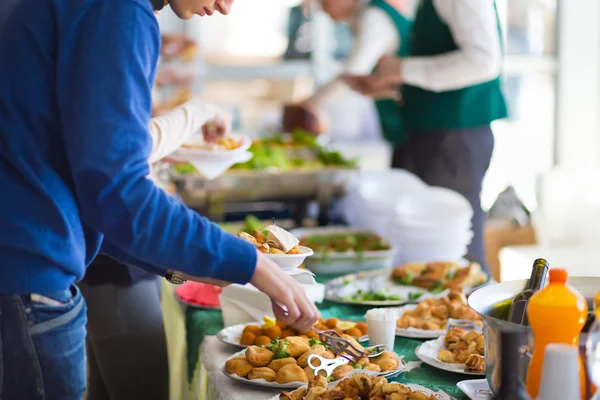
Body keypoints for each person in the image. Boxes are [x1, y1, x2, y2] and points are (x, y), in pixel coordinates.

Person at [0, 0, 320, 399]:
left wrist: (202, 265)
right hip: (25, 280)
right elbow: (117, 192)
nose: (225, 7)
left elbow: (85, 189)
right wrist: (253, 265)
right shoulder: (117, 10)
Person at [80, 98, 231, 400]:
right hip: (114, 272)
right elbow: (120, 152)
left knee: (105, 388)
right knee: (143, 390)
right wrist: (205, 107)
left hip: (114, 263)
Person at [345, 0, 508, 270]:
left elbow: (483, 61)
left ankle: (470, 312)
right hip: (434, 132)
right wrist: (396, 86)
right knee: (422, 249)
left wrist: (400, 69)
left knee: (452, 254)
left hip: (453, 137)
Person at [284, 0, 413, 148]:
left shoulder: (374, 17)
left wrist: (310, 102)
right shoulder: (362, 16)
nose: (322, 10)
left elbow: (353, 74)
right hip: (402, 114)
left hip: (420, 115)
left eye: (324, 2)